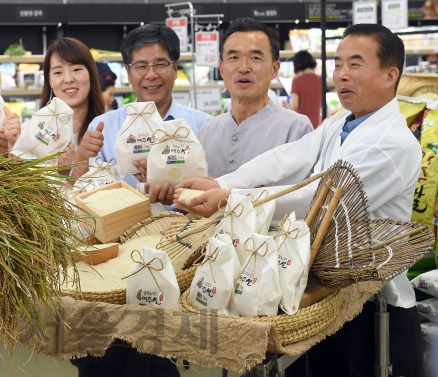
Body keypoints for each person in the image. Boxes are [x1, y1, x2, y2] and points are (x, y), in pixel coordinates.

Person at [175, 24, 423, 377]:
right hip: (328, 297)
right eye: (337, 65)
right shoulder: (342, 123)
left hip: (375, 309)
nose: (342, 75)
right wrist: (220, 182)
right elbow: (289, 156)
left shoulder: (391, 143)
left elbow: (320, 204)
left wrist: (230, 198)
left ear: (390, 75)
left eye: (356, 64)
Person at [81, 24, 213, 203]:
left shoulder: (205, 126)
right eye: (141, 66)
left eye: (160, 64)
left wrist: (181, 196)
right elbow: (89, 194)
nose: (151, 75)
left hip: (191, 227)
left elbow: (216, 188)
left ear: (175, 68)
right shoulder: (103, 128)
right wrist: (80, 157)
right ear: (128, 72)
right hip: (121, 227)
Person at [199, 17, 313, 179]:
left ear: (274, 69)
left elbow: (301, 198)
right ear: (222, 69)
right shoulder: (207, 131)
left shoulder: (296, 129)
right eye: (234, 57)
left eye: (255, 58)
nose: (244, 68)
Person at [0, 37, 105, 170]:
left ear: (91, 74)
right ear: (49, 81)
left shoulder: (109, 129)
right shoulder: (31, 131)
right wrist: (13, 145)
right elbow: (23, 186)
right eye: (58, 72)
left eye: (77, 69)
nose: (68, 79)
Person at [290, 50, 322, 128]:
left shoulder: (297, 81)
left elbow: (294, 105)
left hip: (301, 124)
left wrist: (289, 101)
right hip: (316, 123)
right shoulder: (320, 79)